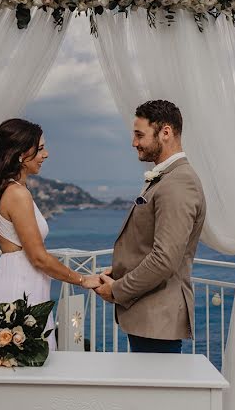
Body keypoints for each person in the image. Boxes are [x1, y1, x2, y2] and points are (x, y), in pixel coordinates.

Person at [0, 118, 101, 350]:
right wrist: (83, 279)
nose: (46, 154)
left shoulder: (10, 189)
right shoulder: (18, 195)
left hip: (21, 280)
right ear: (21, 155)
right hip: (21, 286)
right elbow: (38, 257)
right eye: (40, 149)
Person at [95, 100, 206, 353]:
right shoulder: (166, 178)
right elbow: (149, 244)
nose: (134, 143)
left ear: (165, 133)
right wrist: (121, 269)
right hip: (148, 317)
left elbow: (165, 259)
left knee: (156, 392)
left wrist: (117, 290)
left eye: (139, 135)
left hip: (158, 318)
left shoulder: (179, 183)